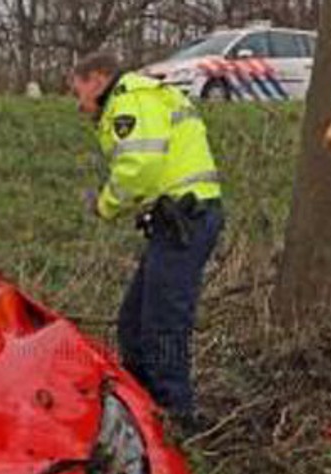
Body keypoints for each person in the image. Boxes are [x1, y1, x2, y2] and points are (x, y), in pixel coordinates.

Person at [69, 52, 224, 433]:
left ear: (99, 78)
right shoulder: (143, 95)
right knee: (133, 322)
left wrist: (104, 205)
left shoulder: (128, 99)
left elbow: (139, 168)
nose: (78, 103)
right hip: (180, 220)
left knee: (162, 322)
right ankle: (142, 404)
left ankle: (176, 416)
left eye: (79, 90)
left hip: (185, 219)